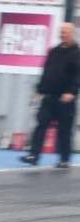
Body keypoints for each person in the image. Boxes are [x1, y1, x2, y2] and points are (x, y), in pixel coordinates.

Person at [21, 22, 78, 168]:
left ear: (72, 34)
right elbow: (46, 72)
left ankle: (64, 159)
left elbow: (77, 76)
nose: (62, 34)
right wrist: (39, 89)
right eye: (61, 32)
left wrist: (71, 92)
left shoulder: (77, 53)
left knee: (64, 129)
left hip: (65, 98)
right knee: (41, 125)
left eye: (65, 32)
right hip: (49, 96)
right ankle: (34, 155)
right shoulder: (54, 51)